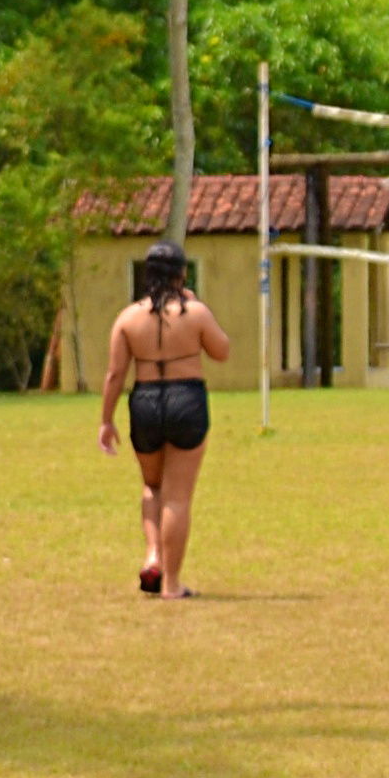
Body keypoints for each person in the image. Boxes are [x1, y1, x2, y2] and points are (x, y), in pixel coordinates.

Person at [94, 242, 230, 597]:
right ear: (182, 273)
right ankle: (171, 584)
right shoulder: (195, 313)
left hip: (146, 401)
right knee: (177, 497)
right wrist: (196, 306)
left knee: (152, 486)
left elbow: (114, 374)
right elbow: (221, 351)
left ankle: (153, 555)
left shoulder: (128, 318)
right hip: (187, 399)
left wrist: (106, 420)